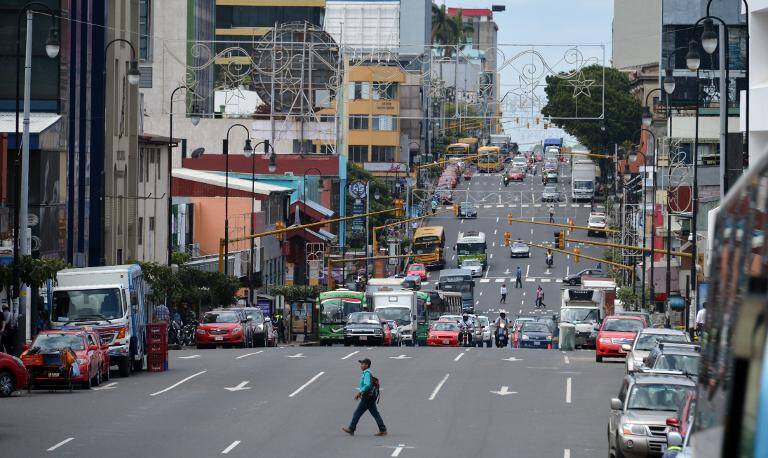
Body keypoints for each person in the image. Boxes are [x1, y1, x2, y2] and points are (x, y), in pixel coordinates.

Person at [343, 358, 387, 436]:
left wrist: (360, 392)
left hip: (367, 397)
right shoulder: (366, 373)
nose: (361, 365)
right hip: (370, 397)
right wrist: (360, 393)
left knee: (357, 412)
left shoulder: (366, 373)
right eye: (361, 364)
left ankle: (351, 428)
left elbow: (367, 385)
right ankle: (383, 430)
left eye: (363, 364)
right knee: (375, 413)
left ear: (367, 365)